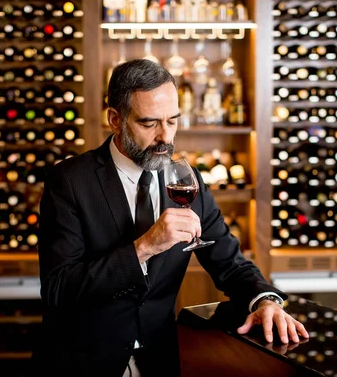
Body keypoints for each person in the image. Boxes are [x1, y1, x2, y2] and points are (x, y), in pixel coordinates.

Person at [33, 59, 308, 376]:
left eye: (173, 121)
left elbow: (230, 263)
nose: (165, 136)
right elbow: (58, 288)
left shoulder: (186, 180)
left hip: (159, 361)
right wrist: (145, 247)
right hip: (81, 364)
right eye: (149, 124)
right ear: (115, 119)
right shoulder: (69, 181)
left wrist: (265, 301)